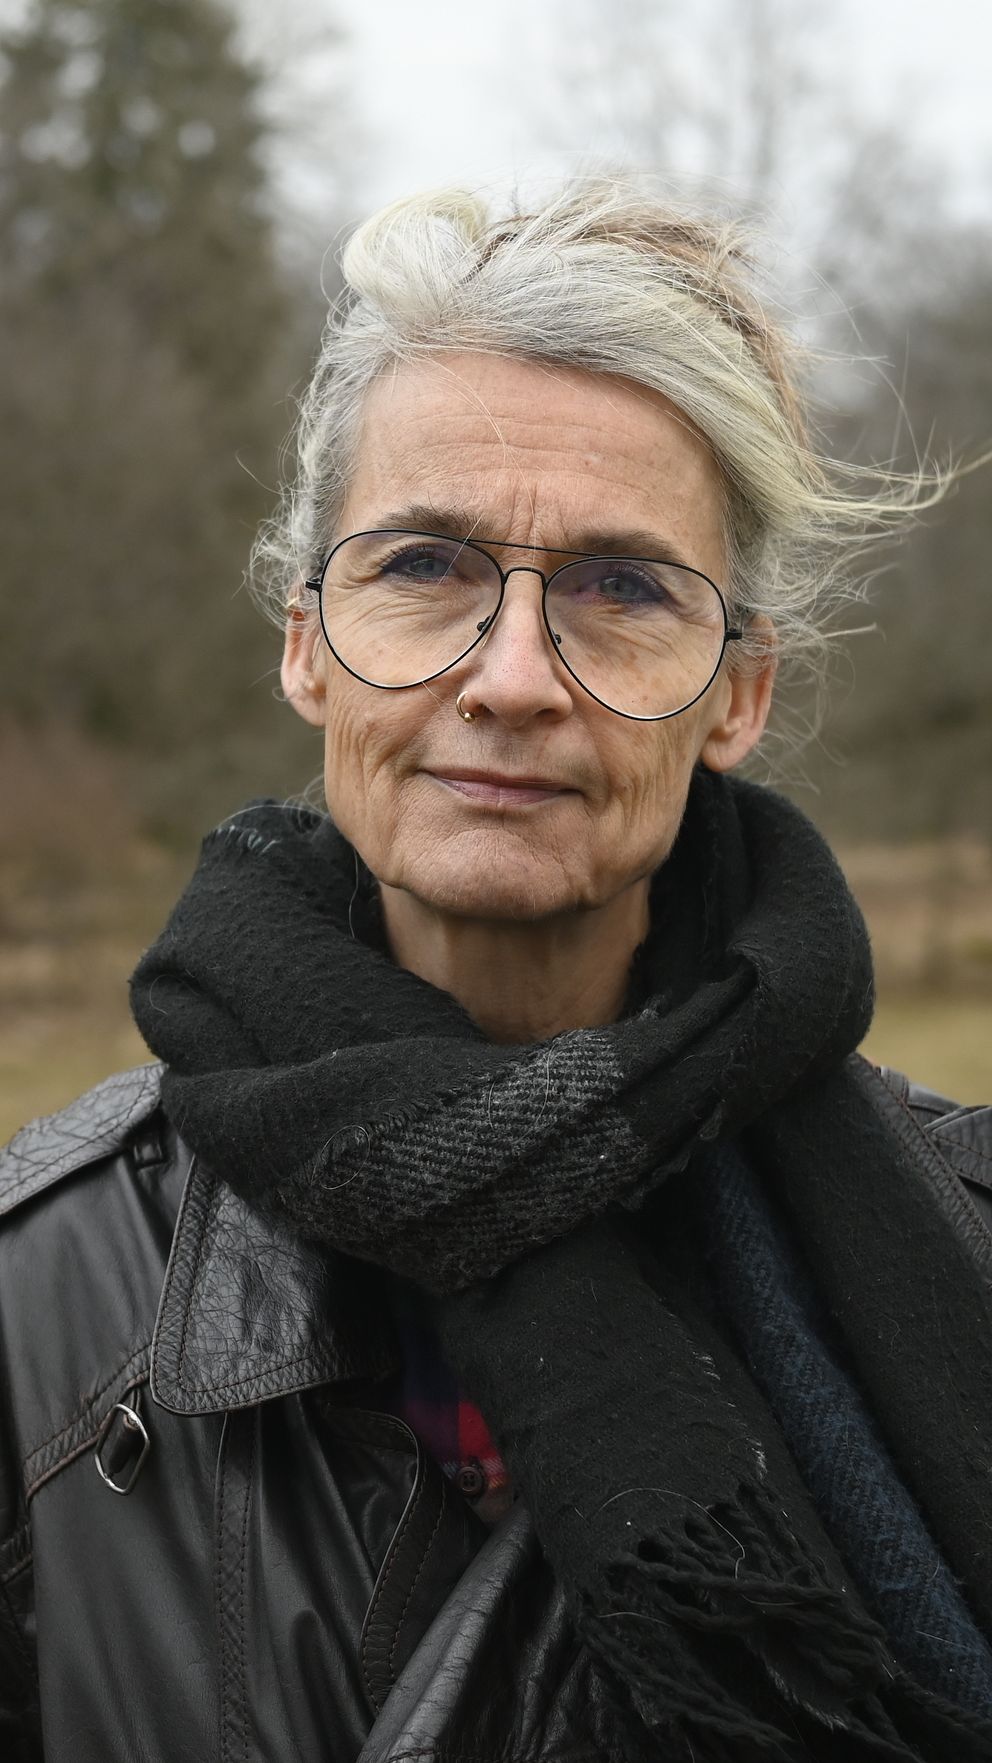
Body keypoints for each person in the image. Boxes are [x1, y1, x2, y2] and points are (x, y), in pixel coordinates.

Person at [1, 180, 990, 1763]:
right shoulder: (40, 1300)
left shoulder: (963, 1239)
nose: (515, 679)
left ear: (737, 693)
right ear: (306, 642)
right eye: (425, 567)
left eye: (623, 588)